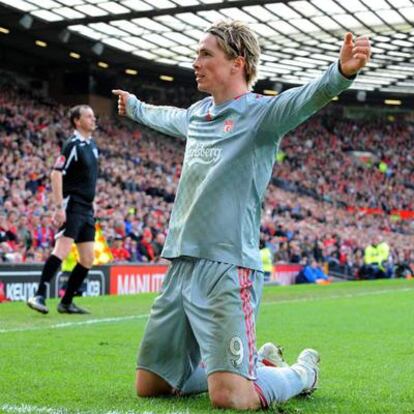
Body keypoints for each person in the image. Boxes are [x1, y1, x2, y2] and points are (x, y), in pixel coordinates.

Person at [113, 20, 371, 410]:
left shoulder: (261, 116)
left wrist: (342, 72)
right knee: (152, 385)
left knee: (232, 398)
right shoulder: (198, 114)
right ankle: (250, 365)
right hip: (182, 261)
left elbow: (307, 97)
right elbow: (165, 116)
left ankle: (301, 373)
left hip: (227, 266)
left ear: (237, 63)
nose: (195, 62)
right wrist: (134, 108)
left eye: (205, 54)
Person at [27, 105, 99, 314]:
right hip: (73, 205)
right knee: (62, 250)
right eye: (89, 116)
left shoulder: (92, 145)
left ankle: (66, 302)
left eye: (93, 116)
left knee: (87, 259)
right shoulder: (72, 144)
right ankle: (38, 294)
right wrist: (59, 207)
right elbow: (56, 173)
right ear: (77, 121)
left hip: (87, 208)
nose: (93, 120)